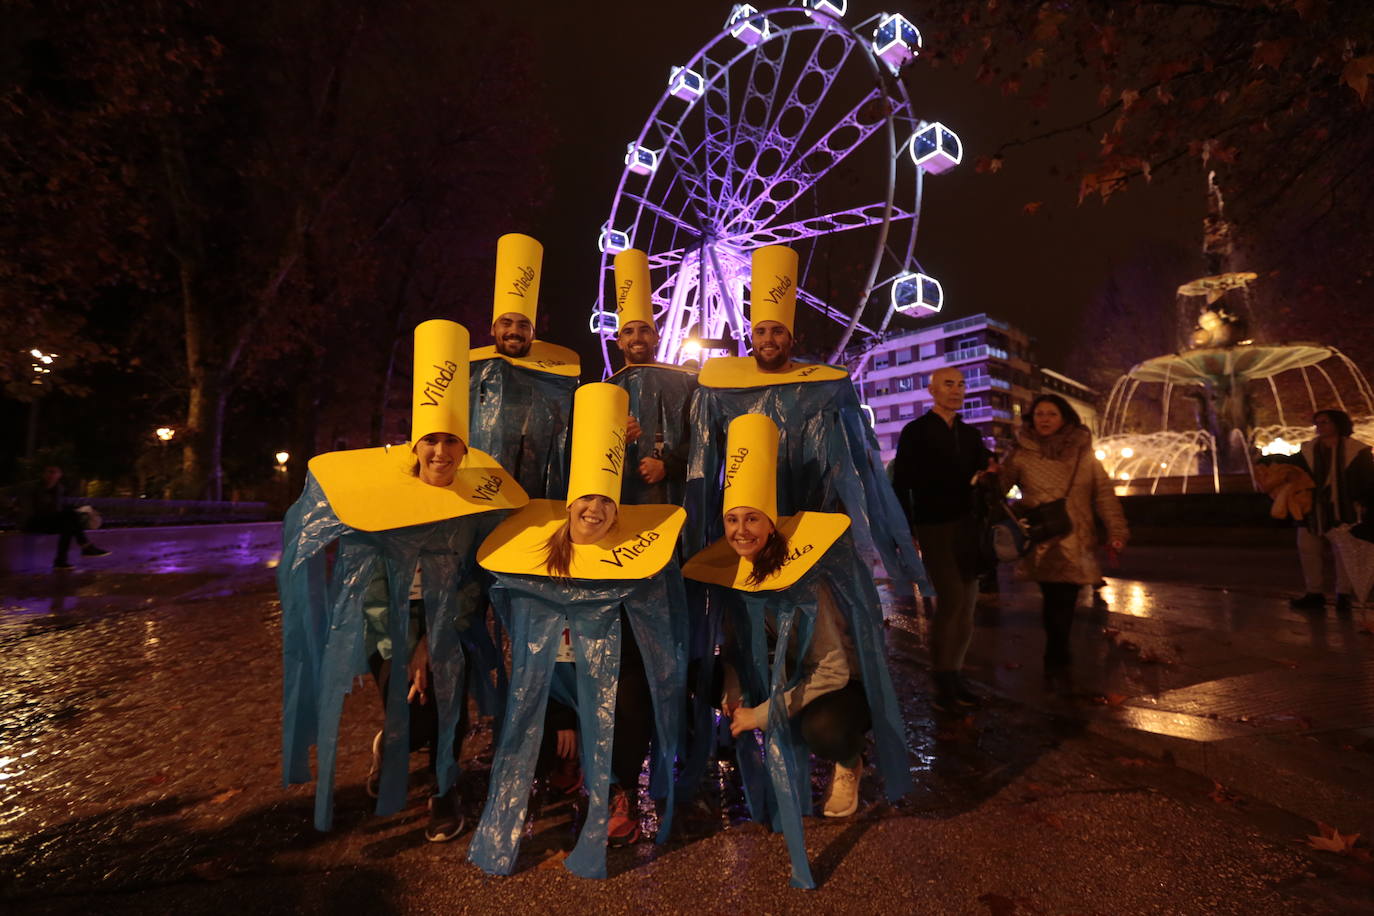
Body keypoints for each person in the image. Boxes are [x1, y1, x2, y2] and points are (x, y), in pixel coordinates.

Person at [278, 320, 528, 838]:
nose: (439, 452)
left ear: (464, 451)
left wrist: (434, 640)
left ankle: (444, 786)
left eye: (450, 443)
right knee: (408, 709)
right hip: (389, 623)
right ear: (415, 447)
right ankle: (390, 746)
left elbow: (474, 576)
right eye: (430, 441)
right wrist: (403, 643)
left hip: (451, 622)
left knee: (449, 700)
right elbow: (368, 583)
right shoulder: (381, 506)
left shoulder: (470, 510)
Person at [682, 414, 912, 890]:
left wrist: (763, 713)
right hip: (777, 677)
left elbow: (831, 668)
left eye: (752, 519)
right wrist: (731, 691)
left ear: (772, 525)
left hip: (838, 684)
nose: (741, 530)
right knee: (697, 674)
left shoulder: (806, 582)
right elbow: (734, 649)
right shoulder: (734, 575)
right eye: (732, 519)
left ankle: (849, 759)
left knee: (820, 727)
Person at [470, 382, 687, 880]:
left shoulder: (634, 564)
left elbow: (640, 654)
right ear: (569, 506)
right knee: (530, 713)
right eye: (585, 500)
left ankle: (618, 792)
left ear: (617, 511)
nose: (594, 509)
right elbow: (521, 648)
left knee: (629, 700)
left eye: (605, 503)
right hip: (555, 682)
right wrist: (564, 712)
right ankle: (557, 772)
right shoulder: (530, 559)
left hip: (613, 679)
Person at [688, 244, 925, 602]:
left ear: (791, 337)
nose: (769, 339)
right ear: (751, 338)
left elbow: (855, 456)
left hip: (811, 506)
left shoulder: (824, 384)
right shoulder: (719, 387)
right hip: (749, 515)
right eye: (762, 331)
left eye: (777, 331)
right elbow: (704, 456)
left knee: (815, 605)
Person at [891, 366, 997, 712]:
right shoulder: (916, 432)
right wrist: (906, 529)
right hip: (934, 525)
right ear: (932, 390)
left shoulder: (970, 435)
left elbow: (986, 474)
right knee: (951, 598)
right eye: (948, 384)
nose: (956, 390)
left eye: (961, 384)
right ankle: (943, 679)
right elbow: (902, 483)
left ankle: (955, 674)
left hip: (967, 525)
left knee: (967, 603)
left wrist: (988, 476)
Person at [999, 394, 1128, 673]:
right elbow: (999, 490)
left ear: (1065, 418)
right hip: (1043, 537)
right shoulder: (1020, 452)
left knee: (1065, 599)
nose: (1044, 419)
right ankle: (1057, 655)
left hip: (1076, 537)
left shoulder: (1083, 452)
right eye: (1039, 414)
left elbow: (1103, 493)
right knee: (1053, 597)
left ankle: (1057, 654)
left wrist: (1116, 530)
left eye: (1051, 414)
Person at [468, 232, 580, 501]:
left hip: (537, 490)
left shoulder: (556, 378)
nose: (514, 331)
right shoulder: (471, 372)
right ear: (493, 328)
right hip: (477, 487)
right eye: (506, 323)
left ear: (533, 332)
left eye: (523, 325)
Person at [607, 248, 698, 508]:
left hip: (676, 498)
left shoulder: (686, 383)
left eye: (645, 330)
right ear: (619, 341)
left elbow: (702, 438)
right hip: (623, 500)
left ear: (656, 336)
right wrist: (612, 437)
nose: (637, 338)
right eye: (629, 331)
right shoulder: (604, 392)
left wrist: (668, 466)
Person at [1288, 409, 1374, 614]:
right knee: (1308, 550)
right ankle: (1314, 592)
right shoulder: (1308, 450)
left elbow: (1368, 480)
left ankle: (1342, 594)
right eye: (1317, 423)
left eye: (1324, 422)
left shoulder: (1356, 450)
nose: (1319, 427)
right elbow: (1294, 472)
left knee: (1344, 552)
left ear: (1337, 424)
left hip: (1343, 510)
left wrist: (1363, 502)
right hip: (1312, 510)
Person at [21, 465, 110, 570]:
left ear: (59, 475)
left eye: (55, 472)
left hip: (47, 521)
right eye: (49, 472)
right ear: (44, 474)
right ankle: (85, 547)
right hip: (32, 522)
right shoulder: (34, 488)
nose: (52, 475)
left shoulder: (59, 489)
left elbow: (56, 511)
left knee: (69, 523)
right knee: (69, 517)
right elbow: (30, 512)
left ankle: (61, 561)